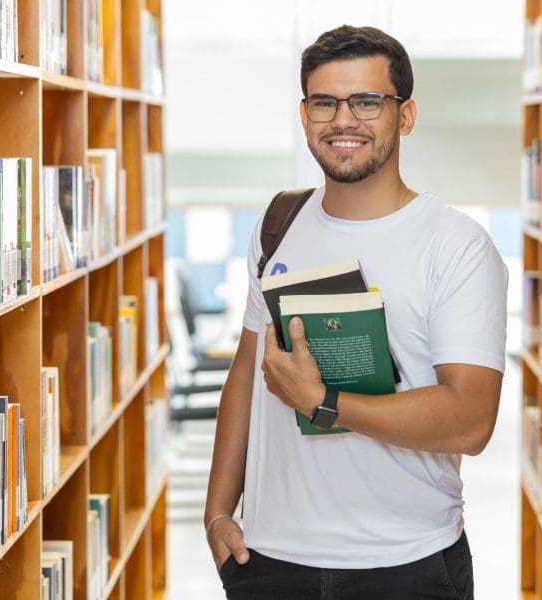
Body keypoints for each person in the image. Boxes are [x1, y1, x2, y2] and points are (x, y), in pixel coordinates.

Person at [204, 24, 508, 600]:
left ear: (406, 116)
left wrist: (323, 404)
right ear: (304, 115)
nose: (344, 120)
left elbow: (471, 421)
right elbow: (245, 374)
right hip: (268, 562)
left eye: (367, 101)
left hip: (408, 564)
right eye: (325, 102)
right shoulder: (278, 226)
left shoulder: (456, 245)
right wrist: (218, 510)